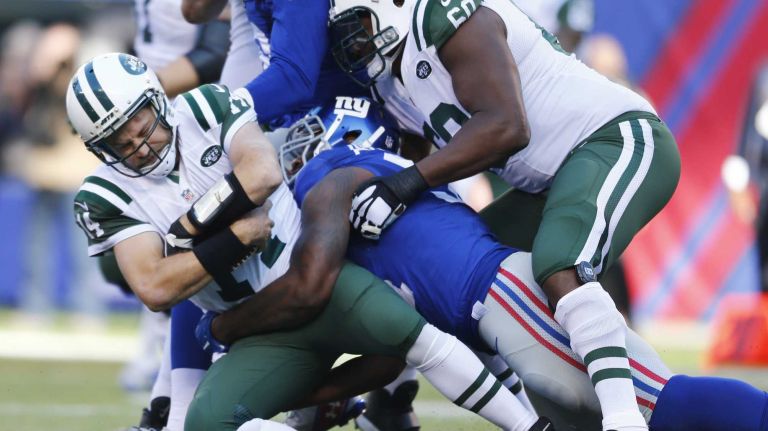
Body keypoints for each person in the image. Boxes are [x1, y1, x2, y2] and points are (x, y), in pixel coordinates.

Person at [209, 96, 768, 431]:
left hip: (504, 301)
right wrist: (301, 394)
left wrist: (226, 324)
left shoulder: (334, 178)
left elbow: (310, 284)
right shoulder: (377, 183)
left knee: (660, 401)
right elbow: (385, 360)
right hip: (497, 312)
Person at [66, 53, 551, 431]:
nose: (142, 144)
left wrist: (187, 232)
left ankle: (529, 425)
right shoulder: (104, 194)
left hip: (317, 278)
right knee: (207, 423)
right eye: (121, 142)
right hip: (259, 327)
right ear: (98, 150)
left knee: (422, 338)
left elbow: (261, 172)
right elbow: (154, 286)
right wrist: (235, 234)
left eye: (143, 123)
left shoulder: (205, 106)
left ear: (158, 99)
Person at [326, 1, 681, 430]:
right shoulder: (395, 80)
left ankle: (624, 420)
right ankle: (394, 405)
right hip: (546, 183)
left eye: (360, 23)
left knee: (560, 263)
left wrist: (403, 187)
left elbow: (506, 125)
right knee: (453, 275)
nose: (358, 40)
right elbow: (414, 153)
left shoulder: (444, 15)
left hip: (616, 138)